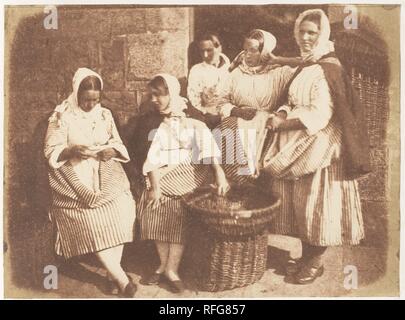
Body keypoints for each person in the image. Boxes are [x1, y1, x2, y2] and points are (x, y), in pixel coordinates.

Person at [264, 9, 370, 284]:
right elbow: (295, 101)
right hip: (302, 139)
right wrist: (283, 113)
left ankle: (316, 261)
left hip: (322, 146)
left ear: (322, 35)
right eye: (302, 31)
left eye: (313, 32)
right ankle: (306, 255)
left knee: (318, 203)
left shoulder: (327, 69)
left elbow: (320, 115)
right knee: (302, 204)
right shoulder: (309, 65)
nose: (306, 37)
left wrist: (282, 125)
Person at [44, 68, 137, 297]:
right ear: (76, 94)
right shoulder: (61, 116)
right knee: (93, 222)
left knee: (123, 210)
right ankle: (123, 280)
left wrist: (110, 150)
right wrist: (71, 150)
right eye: (86, 100)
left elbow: (117, 142)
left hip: (105, 172)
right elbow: (50, 150)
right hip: (73, 177)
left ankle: (112, 274)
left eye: (95, 99)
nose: (90, 105)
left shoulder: (104, 114)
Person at [137, 73, 230, 293]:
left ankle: (172, 268)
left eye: (159, 96)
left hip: (190, 171)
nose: (154, 100)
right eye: (152, 96)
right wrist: (155, 186)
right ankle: (162, 264)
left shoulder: (192, 118)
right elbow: (152, 158)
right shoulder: (155, 121)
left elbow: (207, 148)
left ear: (172, 94)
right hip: (164, 171)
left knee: (178, 207)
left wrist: (219, 173)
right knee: (153, 202)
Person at [216, 29, 296, 184]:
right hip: (239, 120)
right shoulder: (236, 74)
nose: (247, 55)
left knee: (264, 174)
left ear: (265, 52)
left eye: (253, 51)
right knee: (226, 130)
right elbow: (221, 102)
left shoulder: (280, 73)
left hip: (267, 125)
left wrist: (281, 114)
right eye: (245, 50)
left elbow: (291, 100)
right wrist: (235, 110)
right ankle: (239, 184)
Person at [187, 33, 230, 116]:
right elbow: (193, 100)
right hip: (207, 115)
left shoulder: (229, 67)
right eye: (202, 51)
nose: (205, 55)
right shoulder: (196, 70)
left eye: (209, 50)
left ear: (219, 48)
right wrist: (206, 111)